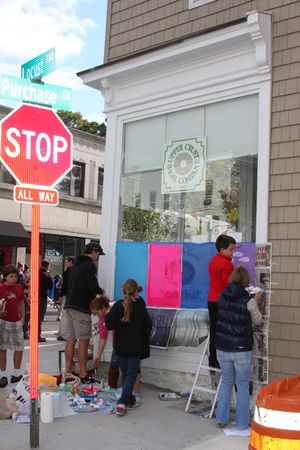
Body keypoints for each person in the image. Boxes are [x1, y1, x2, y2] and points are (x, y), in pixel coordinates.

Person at [215, 266, 262, 430]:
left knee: (226, 382)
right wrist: (256, 302)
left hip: (222, 347)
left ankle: (221, 419)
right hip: (241, 348)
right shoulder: (248, 300)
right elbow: (257, 321)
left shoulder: (222, 296)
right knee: (241, 385)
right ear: (245, 281)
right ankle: (242, 424)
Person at [105, 279, 152, 416]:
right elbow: (147, 328)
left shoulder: (118, 305)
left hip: (119, 346)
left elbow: (109, 325)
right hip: (135, 346)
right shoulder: (140, 307)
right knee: (131, 374)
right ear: (136, 290)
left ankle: (129, 399)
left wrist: (108, 314)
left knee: (126, 374)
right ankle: (122, 401)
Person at [64, 242, 105, 384]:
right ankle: (82, 374)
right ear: (93, 251)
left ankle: (68, 372)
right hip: (82, 308)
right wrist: (101, 291)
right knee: (84, 340)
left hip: (69, 306)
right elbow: (92, 286)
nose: (98, 256)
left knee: (71, 338)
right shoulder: (89, 266)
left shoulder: (75, 265)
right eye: (98, 253)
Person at [207, 234, 236, 368]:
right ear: (222, 249)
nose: (232, 252)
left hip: (212, 299)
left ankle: (212, 359)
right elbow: (227, 285)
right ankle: (219, 360)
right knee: (223, 331)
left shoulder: (213, 261)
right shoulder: (226, 265)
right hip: (221, 301)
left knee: (214, 330)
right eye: (231, 249)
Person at [0, 264, 25, 388]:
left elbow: (21, 302)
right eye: (11, 276)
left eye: (15, 276)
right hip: (3, 322)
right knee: (2, 348)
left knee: (19, 348)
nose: (14, 278)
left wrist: (23, 318)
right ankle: (3, 375)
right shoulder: (1, 288)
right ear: (5, 277)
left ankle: (16, 374)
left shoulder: (19, 288)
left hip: (16, 321)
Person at [57, 256, 75, 341]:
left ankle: (64, 334)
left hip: (67, 296)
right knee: (66, 315)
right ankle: (64, 333)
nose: (65, 263)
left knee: (65, 315)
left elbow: (64, 286)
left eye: (66, 262)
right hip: (71, 296)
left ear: (71, 262)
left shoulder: (68, 272)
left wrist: (61, 295)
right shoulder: (74, 271)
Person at [38, 260, 53, 343]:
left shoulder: (36, 272)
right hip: (42, 296)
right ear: (47, 266)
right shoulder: (45, 274)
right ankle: (38, 335)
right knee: (39, 317)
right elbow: (50, 285)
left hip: (35, 296)